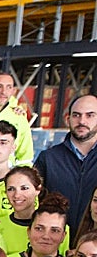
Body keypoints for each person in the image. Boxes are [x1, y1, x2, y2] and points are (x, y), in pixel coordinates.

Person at [36, 94, 97, 235]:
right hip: (54, 243)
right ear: (67, 119)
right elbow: (33, 203)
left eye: (90, 115)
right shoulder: (48, 158)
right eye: (76, 115)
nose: (82, 121)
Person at [0, 166, 53, 250]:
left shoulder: (54, 228)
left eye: (24, 188)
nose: (17, 195)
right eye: (11, 189)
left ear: (38, 189)